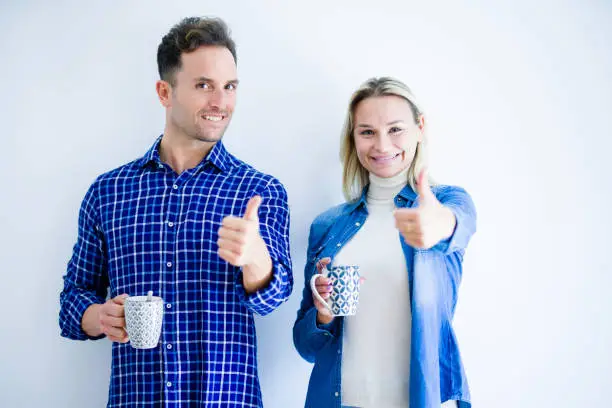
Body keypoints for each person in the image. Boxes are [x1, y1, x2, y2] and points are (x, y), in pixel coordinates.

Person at [59, 16, 293, 408]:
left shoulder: (259, 190)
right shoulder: (108, 192)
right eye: (204, 86)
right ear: (164, 92)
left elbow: (273, 299)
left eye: (229, 87)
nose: (221, 102)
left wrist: (255, 260)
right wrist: (100, 316)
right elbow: (71, 304)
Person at [293, 77, 476, 408]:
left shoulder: (445, 203)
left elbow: (457, 224)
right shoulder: (328, 225)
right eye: (367, 132)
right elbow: (306, 347)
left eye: (395, 129)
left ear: (420, 128)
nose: (381, 144)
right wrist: (322, 316)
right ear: (354, 138)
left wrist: (437, 225)